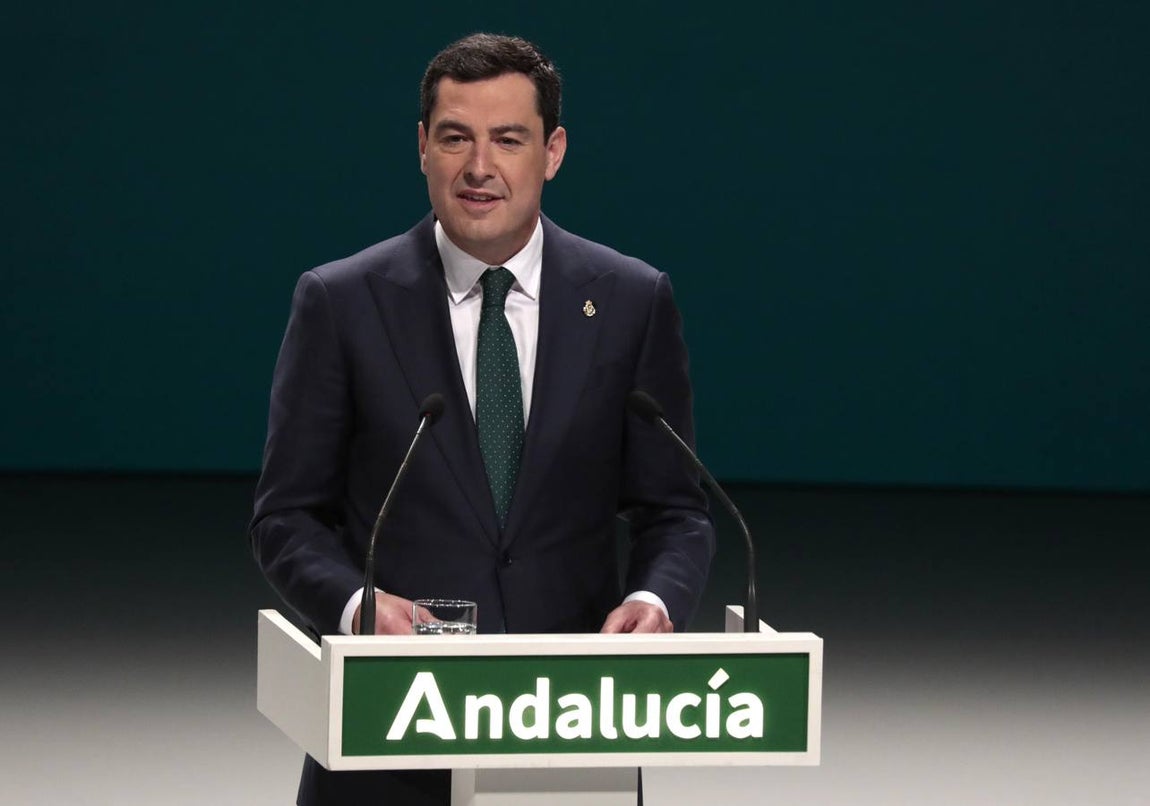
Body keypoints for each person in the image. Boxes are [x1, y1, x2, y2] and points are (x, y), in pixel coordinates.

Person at [251, 32, 715, 806]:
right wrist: (356, 607)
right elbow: (287, 517)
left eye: (509, 139)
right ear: (422, 147)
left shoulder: (631, 301)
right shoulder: (341, 302)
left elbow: (676, 510)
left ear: (553, 151)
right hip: (393, 728)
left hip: (570, 727)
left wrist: (656, 601)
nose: (479, 167)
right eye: (456, 137)